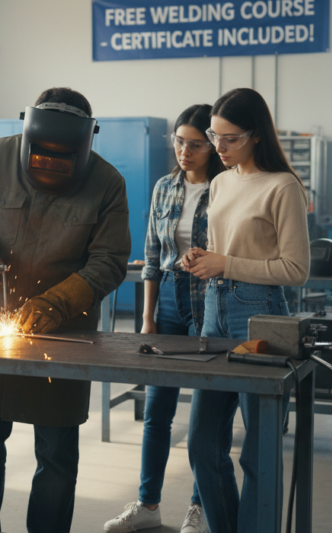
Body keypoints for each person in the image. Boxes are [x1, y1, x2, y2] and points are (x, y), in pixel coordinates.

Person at [0, 87, 131, 533]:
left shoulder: (107, 182)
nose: (49, 163)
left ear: (86, 143)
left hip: (63, 335)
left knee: (56, 458)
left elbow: (109, 262)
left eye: (63, 157)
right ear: (27, 134)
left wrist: (56, 302)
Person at [181, 88, 310, 533]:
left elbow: (295, 269)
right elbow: (226, 248)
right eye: (214, 136)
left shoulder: (283, 186)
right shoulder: (220, 182)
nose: (217, 148)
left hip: (258, 313)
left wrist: (226, 262)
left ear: (256, 135)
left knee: (257, 450)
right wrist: (203, 257)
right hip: (215, 306)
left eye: (229, 139)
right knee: (201, 443)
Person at [104, 104, 225, 533]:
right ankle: (148, 505)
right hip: (170, 304)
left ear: (212, 145)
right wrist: (148, 316)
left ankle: (200, 507)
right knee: (158, 411)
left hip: (212, 301)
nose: (185, 151)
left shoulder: (228, 188)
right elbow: (152, 258)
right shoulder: (163, 187)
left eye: (195, 144)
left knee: (206, 421)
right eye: (179, 142)